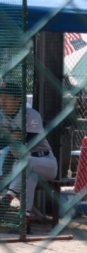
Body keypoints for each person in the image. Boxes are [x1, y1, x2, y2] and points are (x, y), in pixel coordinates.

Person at [0, 81, 58, 233]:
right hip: (22, 166)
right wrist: (15, 135)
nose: (2, 102)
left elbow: (31, 141)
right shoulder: (1, 117)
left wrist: (9, 136)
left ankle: (7, 199)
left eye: (6, 98)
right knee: (30, 176)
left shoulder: (31, 114)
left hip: (46, 162)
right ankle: (25, 222)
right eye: (0, 97)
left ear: (18, 99)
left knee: (28, 163)